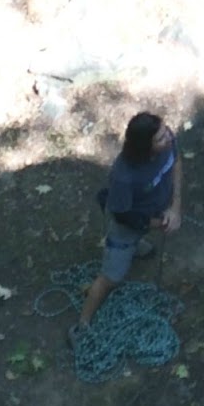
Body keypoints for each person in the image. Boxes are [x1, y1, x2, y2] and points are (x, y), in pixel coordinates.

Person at [69, 113, 183, 352]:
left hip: (156, 211)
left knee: (140, 239)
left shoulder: (168, 143)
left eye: (166, 131)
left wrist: (175, 207)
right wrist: (160, 223)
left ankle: (138, 246)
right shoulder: (124, 176)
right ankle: (82, 324)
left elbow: (176, 162)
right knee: (111, 278)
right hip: (128, 225)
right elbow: (124, 216)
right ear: (145, 147)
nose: (169, 137)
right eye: (161, 137)